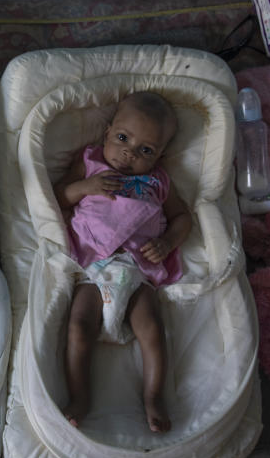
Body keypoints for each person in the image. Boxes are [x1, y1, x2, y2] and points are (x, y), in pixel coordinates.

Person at [53, 92, 192, 433]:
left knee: (152, 330)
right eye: (123, 138)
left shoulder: (157, 182)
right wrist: (86, 186)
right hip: (94, 265)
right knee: (78, 327)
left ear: (159, 156)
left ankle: (153, 396)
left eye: (146, 150)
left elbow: (182, 217)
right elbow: (58, 196)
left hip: (135, 268)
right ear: (107, 133)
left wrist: (167, 242)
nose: (130, 153)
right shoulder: (90, 163)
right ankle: (80, 398)